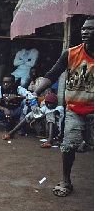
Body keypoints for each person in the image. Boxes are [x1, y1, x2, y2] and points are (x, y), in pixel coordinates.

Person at [30, 16, 93, 197]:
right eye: (83, 28)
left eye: (90, 29)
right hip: (74, 109)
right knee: (68, 147)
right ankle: (66, 180)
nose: (85, 32)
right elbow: (52, 74)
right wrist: (37, 91)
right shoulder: (71, 53)